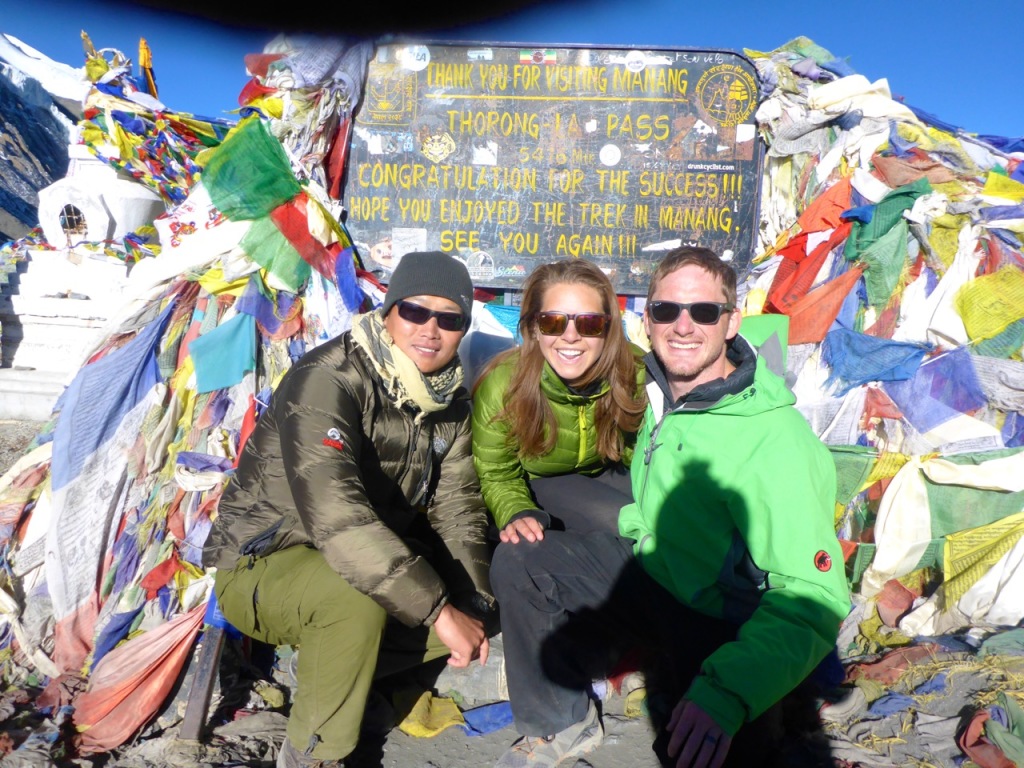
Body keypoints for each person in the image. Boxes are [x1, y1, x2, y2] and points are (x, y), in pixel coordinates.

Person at [489, 246, 851, 768]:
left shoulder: (776, 441)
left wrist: (725, 694)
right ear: (646, 320)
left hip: (717, 616)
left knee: (700, 748)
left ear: (731, 322)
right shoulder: (657, 389)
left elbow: (813, 598)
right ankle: (558, 724)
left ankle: (773, 693)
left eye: (704, 311)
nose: (683, 326)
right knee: (522, 557)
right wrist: (625, 523)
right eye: (666, 311)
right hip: (657, 571)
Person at [202, 251, 495, 768]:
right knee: (353, 600)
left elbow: (458, 508)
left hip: (369, 561)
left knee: (492, 598)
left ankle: (341, 679)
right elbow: (337, 516)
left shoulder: (448, 401)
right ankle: (315, 754)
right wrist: (436, 610)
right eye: (415, 311)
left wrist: (469, 603)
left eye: (449, 319)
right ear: (388, 312)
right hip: (266, 563)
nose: (430, 330)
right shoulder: (329, 378)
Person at [472, 258, 646, 546]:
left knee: (660, 516)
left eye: (589, 324)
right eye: (553, 322)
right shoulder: (504, 385)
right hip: (536, 484)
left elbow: (640, 452)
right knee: (623, 522)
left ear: (608, 328)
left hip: (604, 473)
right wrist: (516, 511)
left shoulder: (633, 369)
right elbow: (496, 473)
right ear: (535, 327)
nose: (570, 336)